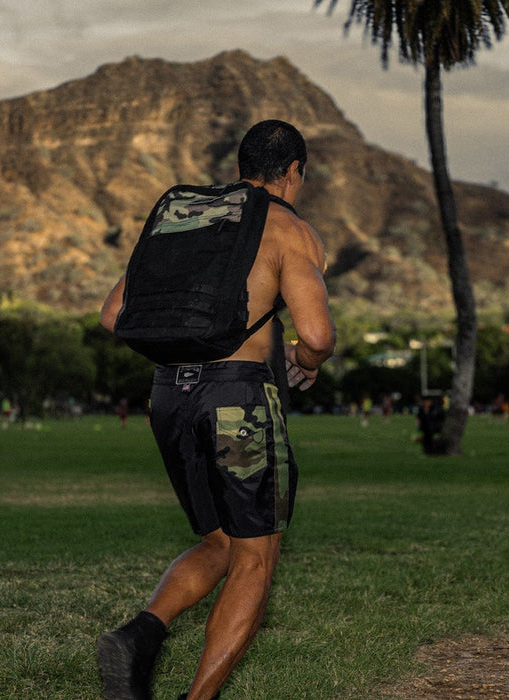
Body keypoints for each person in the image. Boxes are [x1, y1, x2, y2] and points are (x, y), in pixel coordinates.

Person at [96, 119, 336, 700]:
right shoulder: (288, 228)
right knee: (256, 557)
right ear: (294, 172)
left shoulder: (187, 220)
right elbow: (318, 333)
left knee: (220, 543)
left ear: (240, 166)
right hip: (238, 400)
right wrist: (307, 358)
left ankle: (140, 637)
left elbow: (112, 315)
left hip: (168, 398)